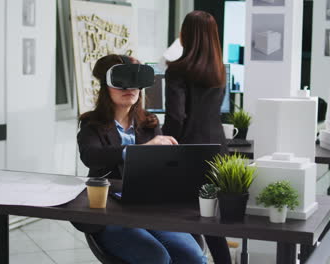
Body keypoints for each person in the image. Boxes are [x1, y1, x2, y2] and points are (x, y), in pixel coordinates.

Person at [76, 54, 207, 264]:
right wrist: (140, 150)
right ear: (105, 87)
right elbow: (91, 156)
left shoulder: (149, 123)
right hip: (111, 214)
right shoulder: (92, 124)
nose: (129, 88)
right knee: (157, 258)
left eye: (135, 82)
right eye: (121, 83)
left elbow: (161, 169)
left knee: (194, 257)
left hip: (150, 210)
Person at [162, 10, 232, 264]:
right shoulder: (220, 71)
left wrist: (163, 144)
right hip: (218, 151)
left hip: (187, 152)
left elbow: (176, 117)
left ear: (185, 34)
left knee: (187, 215)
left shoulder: (177, 70)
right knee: (210, 219)